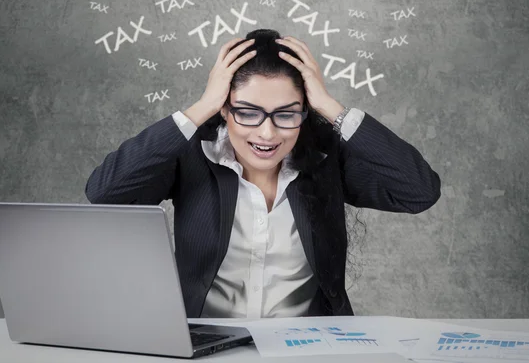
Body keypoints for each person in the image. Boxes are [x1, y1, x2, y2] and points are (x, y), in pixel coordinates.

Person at [85, 29, 441, 319]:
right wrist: (200, 109)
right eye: (248, 112)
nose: (267, 134)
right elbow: (104, 193)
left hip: (309, 351)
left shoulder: (325, 160)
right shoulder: (192, 157)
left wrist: (333, 109)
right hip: (206, 349)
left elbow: (419, 191)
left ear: (306, 110)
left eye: (286, 114)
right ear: (224, 107)